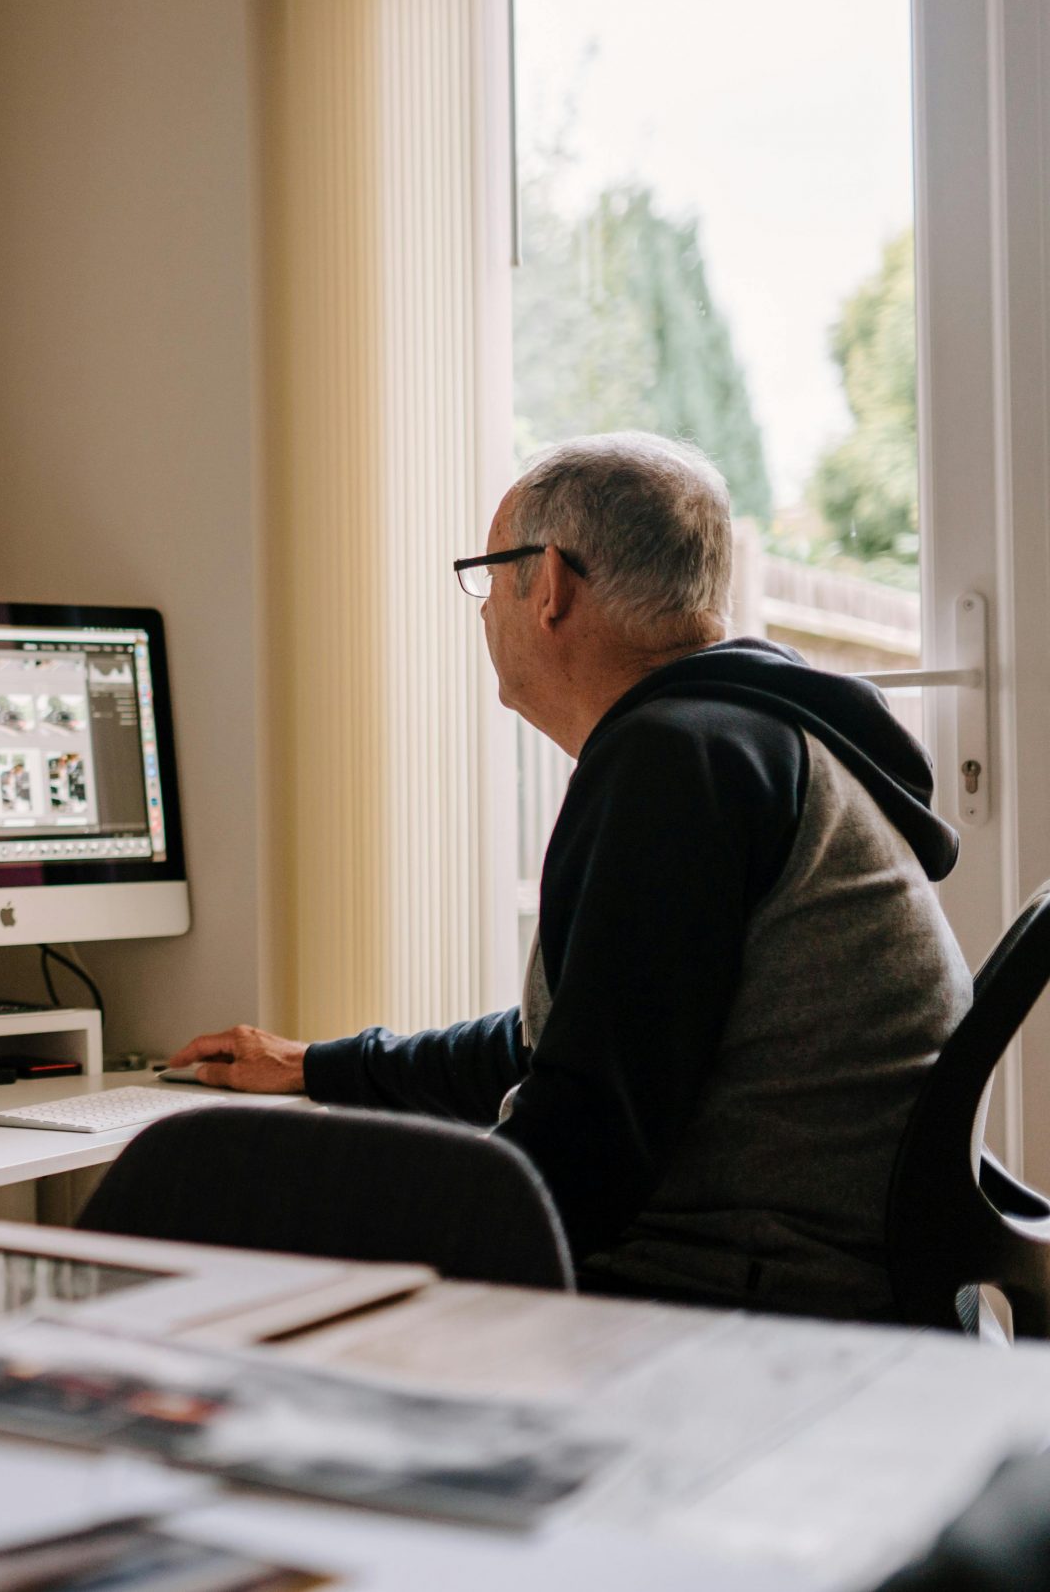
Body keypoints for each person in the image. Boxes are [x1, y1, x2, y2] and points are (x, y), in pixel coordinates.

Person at [172, 432, 970, 1322]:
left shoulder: (678, 761)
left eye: (486, 573)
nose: (480, 611)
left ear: (549, 583)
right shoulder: (751, 738)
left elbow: (586, 1145)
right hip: (816, 1279)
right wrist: (318, 1066)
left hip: (746, 1299)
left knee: (212, 1197)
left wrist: (349, 1247)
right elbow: (565, 1047)